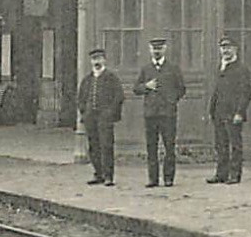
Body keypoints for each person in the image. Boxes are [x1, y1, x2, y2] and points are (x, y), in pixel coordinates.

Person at [133, 36, 187, 188]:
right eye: (154, 49)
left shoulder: (173, 68)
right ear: (150, 50)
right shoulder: (146, 69)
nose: (157, 51)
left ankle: (168, 178)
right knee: (151, 147)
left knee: (169, 147)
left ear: (164, 49)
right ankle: (153, 179)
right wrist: (146, 86)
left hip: (168, 114)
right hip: (150, 114)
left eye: (159, 48)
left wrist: (171, 100)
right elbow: (136, 89)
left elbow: (181, 89)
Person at [76, 47, 125, 186]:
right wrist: (84, 112)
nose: (96, 61)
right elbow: (80, 98)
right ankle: (98, 174)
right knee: (93, 146)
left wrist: (110, 112)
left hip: (105, 118)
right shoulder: (87, 80)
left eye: (99, 58)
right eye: (94, 59)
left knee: (106, 146)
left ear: (104, 60)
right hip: (91, 117)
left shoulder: (111, 77)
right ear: (91, 61)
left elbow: (119, 96)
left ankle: (108, 176)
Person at [207, 35, 251, 184]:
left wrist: (240, 112)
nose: (225, 51)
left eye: (228, 48)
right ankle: (221, 174)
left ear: (235, 49)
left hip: (233, 114)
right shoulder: (220, 67)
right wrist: (212, 110)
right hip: (219, 112)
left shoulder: (242, 69)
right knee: (220, 145)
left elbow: (246, 93)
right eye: (223, 48)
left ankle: (234, 175)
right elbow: (217, 91)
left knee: (235, 145)